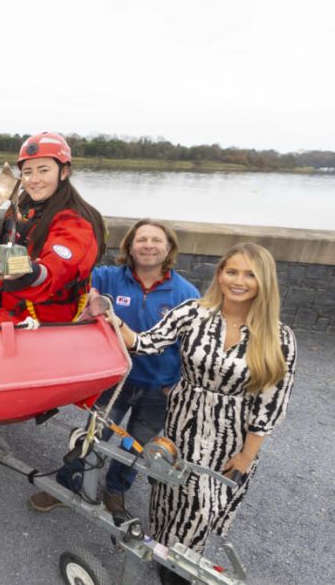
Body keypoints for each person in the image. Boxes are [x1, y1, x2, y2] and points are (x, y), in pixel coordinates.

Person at [113, 243, 296, 582]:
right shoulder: (193, 312)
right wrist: (111, 315)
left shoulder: (279, 337)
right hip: (182, 420)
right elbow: (145, 343)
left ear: (264, 282)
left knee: (200, 507)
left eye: (249, 274)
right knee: (166, 494)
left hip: (231, 435)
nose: (238, 281)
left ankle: (179, 570)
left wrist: (246, 456)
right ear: (220, 274)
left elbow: (272, 403)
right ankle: (163, 557)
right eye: (232, 271)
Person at [29, 219, 199, 515]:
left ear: (169, 247)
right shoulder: (109, 277)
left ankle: (116, 490)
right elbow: (71, 280)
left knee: (136, 448)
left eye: (156, 240)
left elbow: (193, 347)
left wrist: (180, 385)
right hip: (113, 380)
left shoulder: (186, 294)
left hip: (158, 389)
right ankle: (69, 483)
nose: (148, 245)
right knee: (93, 438)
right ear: (130, 247)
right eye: (141, 239)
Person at [0, 132, 106, 327]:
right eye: (28, 172)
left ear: (63, 172)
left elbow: (54, 272)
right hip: (11, 305)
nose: (34, 179)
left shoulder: (76, 222)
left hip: (43, 319)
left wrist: (23, 272)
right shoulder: (20, 208)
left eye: (43, 170)